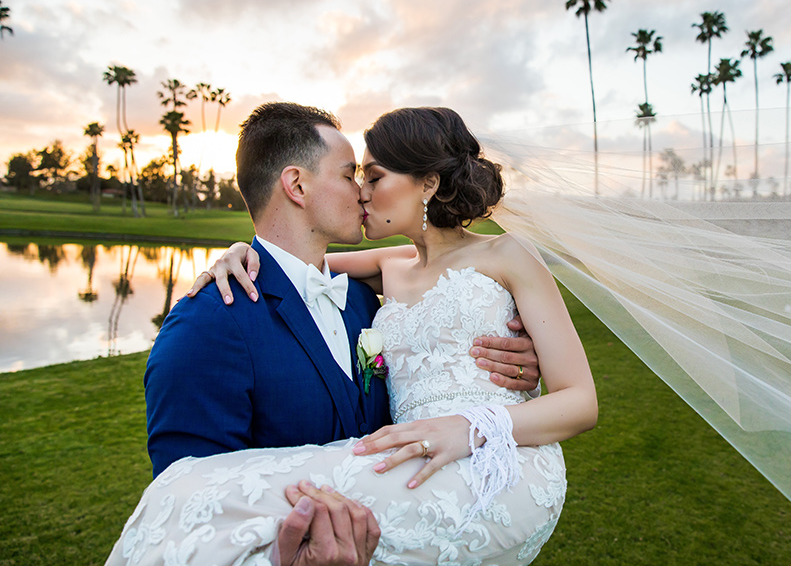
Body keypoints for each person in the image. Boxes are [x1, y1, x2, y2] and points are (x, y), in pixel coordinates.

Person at [105, 105, 597, 565]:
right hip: (403, 463)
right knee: (190, 492)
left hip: (488, 462)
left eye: (373, 176)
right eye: (352, 175)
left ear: (428, 183)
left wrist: (475, 421)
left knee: (203, 498)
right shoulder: (384, 269)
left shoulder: (506, 256)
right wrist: (233, 252)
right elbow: (290, 266)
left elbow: (581, 400)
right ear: (297, 186)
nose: (362, 190)